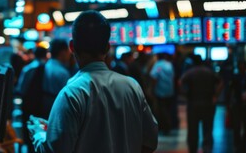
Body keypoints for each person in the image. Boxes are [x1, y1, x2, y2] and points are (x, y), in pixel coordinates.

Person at [27, 10, 158, 153]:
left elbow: (55, 150)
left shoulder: (71, 93)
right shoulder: (132, 87)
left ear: (72, 47)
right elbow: (151, 141)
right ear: (107, 48)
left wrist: (39, 134)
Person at [180, 55, 223, 153]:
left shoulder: (190, 72)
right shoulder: (209, 71)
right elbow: (221, 82)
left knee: (193, 131)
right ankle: (207, 149)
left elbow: (180, 82)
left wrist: (185, 94)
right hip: (208, 103)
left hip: (193, 104)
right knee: (207, 129)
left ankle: (193, 149)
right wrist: (215, 95)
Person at [226, 60, 246, 153]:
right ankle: (238, 145)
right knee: (237, 126)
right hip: (237, 104)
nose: (242, 68)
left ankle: (242, 143)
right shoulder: (235, 78)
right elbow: (230, 91)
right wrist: (228, 103)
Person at [41, 38, 71, 118]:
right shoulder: (62, 72)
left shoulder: (45, 66)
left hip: (43, 107)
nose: (69, 54)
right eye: (68, 50)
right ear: (62, 52)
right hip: (56, 109)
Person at [150, 53, 175, 135]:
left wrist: (152, 89)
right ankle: (169, 126)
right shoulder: (169, 65)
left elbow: (154, 76)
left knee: (162, 110)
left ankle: (165, 127)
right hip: (170, 91)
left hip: (160, 91)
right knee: (168, 109)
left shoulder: (158, 65)